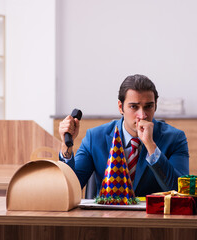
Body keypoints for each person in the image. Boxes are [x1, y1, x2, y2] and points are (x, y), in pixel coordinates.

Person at [58, 74, 189, 197]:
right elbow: (69, 189)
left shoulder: (175, 138)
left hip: (152, 218)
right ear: (121, 107)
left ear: (155, 106)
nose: (142, 115)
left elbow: (180, 192)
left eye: (148, 106)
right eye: (134, 107)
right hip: (107, 217)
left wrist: (151, 147)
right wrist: (66, 147)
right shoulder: (95, 137)